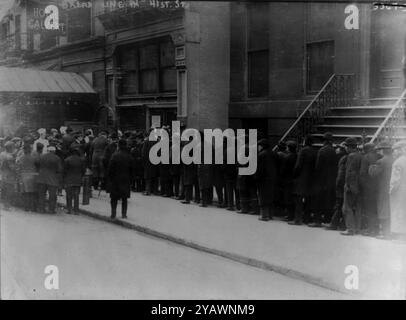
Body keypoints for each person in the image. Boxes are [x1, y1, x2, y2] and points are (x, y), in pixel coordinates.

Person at [310, 132, 338, 227]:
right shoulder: (334, 151)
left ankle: (317, 221)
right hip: (331, 180)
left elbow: (318, 167)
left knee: (318, 201)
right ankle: (327, 219)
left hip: (321, 180)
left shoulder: (322, 151)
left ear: (324, 141)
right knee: (328, 200)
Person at [289, 135, 317, 225]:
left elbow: (298, 166)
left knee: (298, 200)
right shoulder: (315, 151)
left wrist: (294, 176)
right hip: (311, 179)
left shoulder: (303, 151)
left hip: (301, 178)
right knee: (308, 200)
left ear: (305, 141)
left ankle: (297, 219)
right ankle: (306, 218)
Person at [369, 141, 394, 237]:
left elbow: (373, 174)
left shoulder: (381, 161)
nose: (379, 152)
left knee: (383, 210)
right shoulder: (394, 159)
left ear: (383, 150)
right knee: (390, 210)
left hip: (382, 189)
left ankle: (385, 234)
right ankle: (390, 232)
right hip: (391, 189)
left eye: (380, 150)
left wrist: (371, 165)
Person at [107, 139, 135, 219]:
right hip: (126, 179)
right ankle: (124, 214)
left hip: (115, 179)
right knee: (124, 198)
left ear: (118, 145)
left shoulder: (114, 155)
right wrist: (131, 180)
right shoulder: (129, 156)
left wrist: (110, 178)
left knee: (114, 198)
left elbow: (110, 168)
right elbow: (132, 169)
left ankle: (113, 214)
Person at [341, 137, 363, 236]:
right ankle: (357, 228)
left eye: (346, 146)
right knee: (358, 208)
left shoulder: (351, 156)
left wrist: (348, 185)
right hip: (359, 185)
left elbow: (349, 172)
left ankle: (350, 229)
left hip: (351, 185)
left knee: (347, 207)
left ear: (349, 147)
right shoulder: (360, 155)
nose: (345, 148)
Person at [359, 142, 381, 235]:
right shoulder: (380, 156)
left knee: (369, 209)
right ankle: (376, 229)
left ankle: (371, 229)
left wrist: (363, 186)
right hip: (378, 186)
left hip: (368, 187)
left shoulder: (366, 157)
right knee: (376, 208)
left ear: (367, 150)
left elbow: (363, 174)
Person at [325, 143, 347, 230]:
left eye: (339, 148)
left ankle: (334, 224)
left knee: (338, 205)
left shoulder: (342, 158)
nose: (337, 149)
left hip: (340, 185)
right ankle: (342, 225)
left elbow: (341, 174)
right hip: (345, 184)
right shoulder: (347, 157)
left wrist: (338, 184)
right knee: (344, 205)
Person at [256, 138, 279, 221]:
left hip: (263, 179)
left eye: (259, 145)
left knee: (262, 197)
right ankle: (270, 215)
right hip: (273, 178)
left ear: (262, 146)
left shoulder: (261, 155)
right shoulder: (274, 153)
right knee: (270, 196)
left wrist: (257, 178)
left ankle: (264, 215)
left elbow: (260, 169)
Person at [36, 145, 63, 214]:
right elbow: (59, 169)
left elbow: (37, 164)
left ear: (48, 150)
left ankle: (41, 209)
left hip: (41, 178)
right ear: (54, 151)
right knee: (52, 195)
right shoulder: (57, 158)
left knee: (42, 195)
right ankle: (51, 210)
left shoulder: (42, 156)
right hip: (52, 179)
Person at [389, 140, 406, 238]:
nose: (394, 152)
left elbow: (395, 180)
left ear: (400, 150)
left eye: (395, 150)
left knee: (397, 211)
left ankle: (398, 233)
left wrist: (391, 190)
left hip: (399, 191)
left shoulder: (398, 162)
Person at [16, 142, 38, 212]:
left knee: (25, 192)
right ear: (30, 150)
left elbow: (18, 167)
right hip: (33, 176)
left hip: (24, 176)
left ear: (24, 150)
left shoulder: (21, 158)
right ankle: (33, 207)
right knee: (33, 192)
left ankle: (26, 207)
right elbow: (37, 166)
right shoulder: (34, 158)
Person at [64, 148, 86, 215]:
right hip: (78, 180)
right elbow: (83, 170)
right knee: (76, 195)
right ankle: (76, 210)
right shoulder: (81, 160)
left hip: (69, 179)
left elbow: (64, 171)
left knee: (69, 195)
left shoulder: (67, 160)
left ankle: (69, 209)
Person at [282, 140, 297, 222]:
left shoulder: (287, 157)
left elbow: (283, 170)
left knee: (288, 198)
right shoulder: (297, 156)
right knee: (293, 198)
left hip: (287, 180)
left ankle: (289, 215)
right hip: (294, 179)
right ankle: (292, 215)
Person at [0, 141, 17, 210]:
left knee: (4, 190)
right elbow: (12, 167)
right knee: (9, 190)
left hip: (3, 174)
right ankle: (7, 206)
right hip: (9, 175)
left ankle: (5, 205)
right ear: (10, 148)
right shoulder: (9, 156)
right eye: (13, 147)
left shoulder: (2, 154)